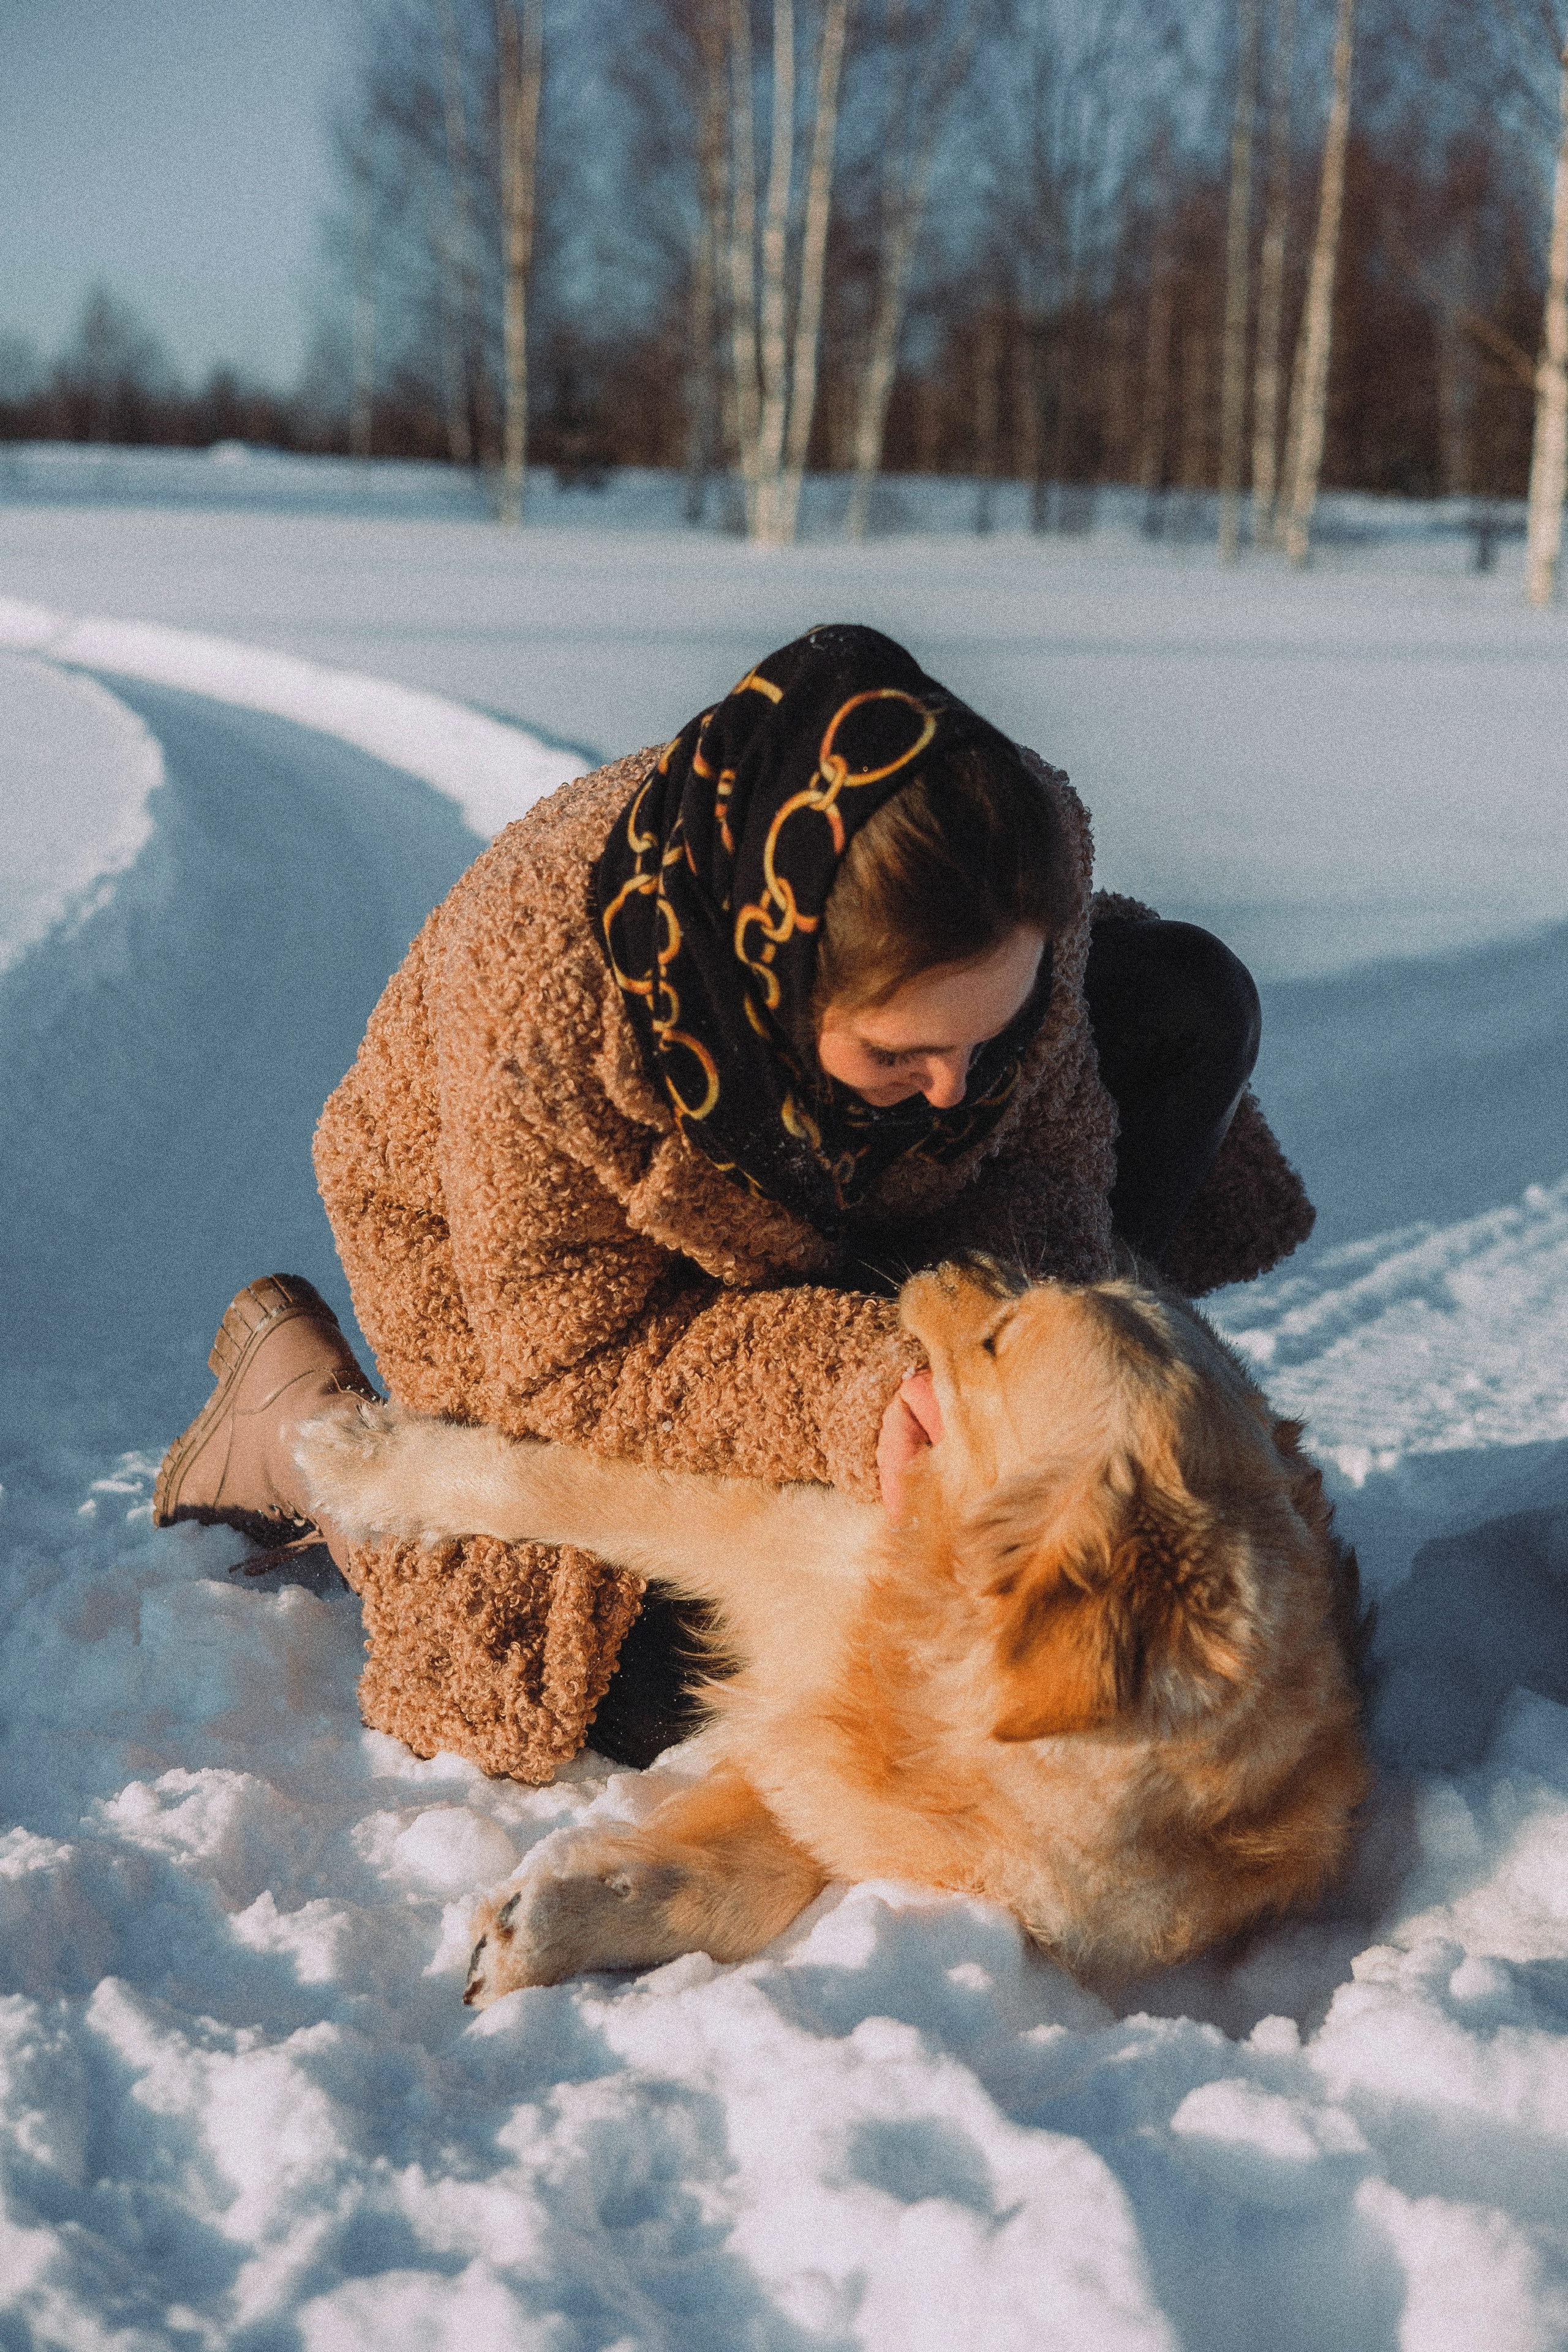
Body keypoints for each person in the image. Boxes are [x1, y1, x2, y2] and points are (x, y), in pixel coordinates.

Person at [154, 624, 1309, 1777]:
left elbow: (1047, 1162)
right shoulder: (546, 1018)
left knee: (1184, 1004)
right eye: (904, 1051)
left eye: (990, 1034)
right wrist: (867, 1393)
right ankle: (294, 1427)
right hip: (548, 1290)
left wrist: (1005, 1371)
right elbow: (585, 1365)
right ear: (783, 979)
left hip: (841, 1200)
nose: (961, 1088)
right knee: (645, 1686)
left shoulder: (1006, 875)